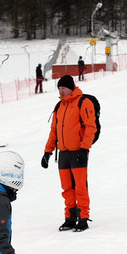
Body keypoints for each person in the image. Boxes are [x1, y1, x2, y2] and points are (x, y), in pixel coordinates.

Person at [40, 75, 96, 232]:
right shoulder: (59, 106)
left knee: (80, 187)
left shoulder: (83, 102)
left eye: (63, 88)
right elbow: (54, 131)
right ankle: (70, 218)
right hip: (63, 153)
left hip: (78, 152)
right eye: (59, 88)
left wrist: (85, 148)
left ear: (71, 88)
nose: (61, 91)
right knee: (67, 189)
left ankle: (83, 218)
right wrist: (47, 152)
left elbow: (91, 127)